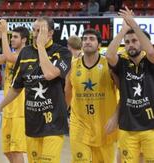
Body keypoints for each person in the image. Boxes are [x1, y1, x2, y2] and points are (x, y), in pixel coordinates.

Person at [0, 17, 72, 163]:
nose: (35, 34)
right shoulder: (25, 53)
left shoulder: (62, 53)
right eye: (34, 30)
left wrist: (40, 47)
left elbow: (49, 74)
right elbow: (16, 87)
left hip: (53, 122)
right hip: (32, 122)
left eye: (40, 31)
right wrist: (0, 107)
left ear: (50, 33)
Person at [106, 7, 154, 163]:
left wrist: (134, 26)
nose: (130, 45)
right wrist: (123, 31)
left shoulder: (150, 61)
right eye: (127, 43)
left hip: (151, 126)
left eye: (134, 41)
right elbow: (109, 55)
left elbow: (151, 52)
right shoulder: (123, 62)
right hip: (127, 127)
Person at [65, 29, 118, 162]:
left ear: (99, 45)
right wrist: (65, 113)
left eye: (92, 39)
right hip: (79, 124)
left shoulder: (109, 65)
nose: (87, 41)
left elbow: (124, 91)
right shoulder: (72, 66)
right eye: (85, 39)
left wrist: (116, 116)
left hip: (104, 126)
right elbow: (68, 91)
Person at [0, 19, 29, 163]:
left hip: (20, 110)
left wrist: (4, 33)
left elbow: (9, 56)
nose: (12, 39)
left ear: (24, 40)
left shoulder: (27, 54)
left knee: (16, 151)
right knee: (8, 152)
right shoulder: (10, 55)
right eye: (11, 36)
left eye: (15, 37)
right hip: (8, 109)